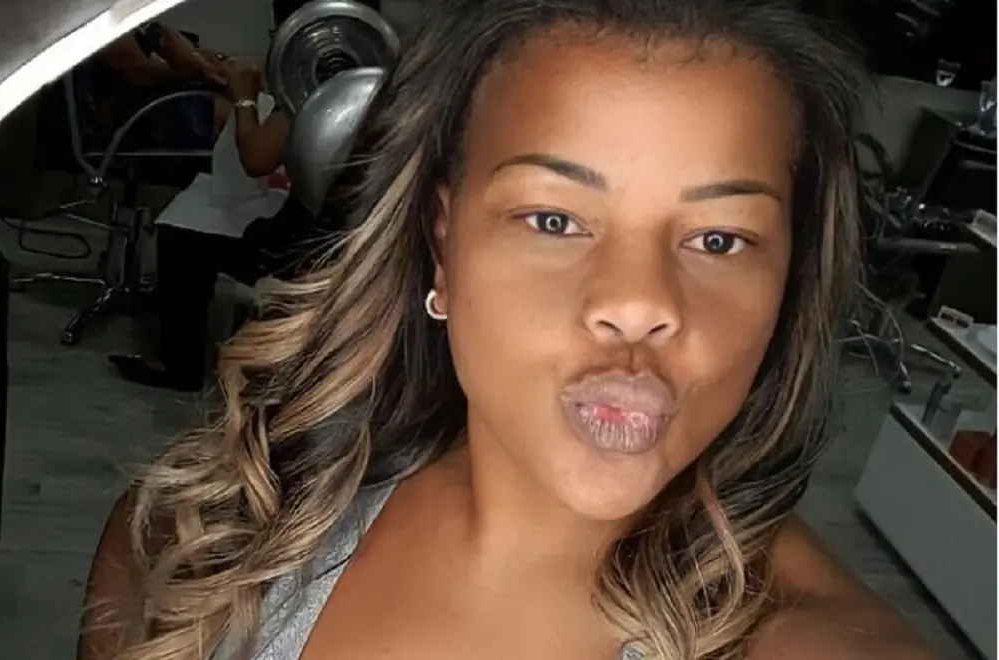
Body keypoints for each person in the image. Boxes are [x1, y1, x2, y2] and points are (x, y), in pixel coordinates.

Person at [79, 1, 936, 659]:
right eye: (554, 220)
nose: (639, 303)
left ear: (787, 279)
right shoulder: (206, 540)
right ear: (443, 244)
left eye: (719, 239)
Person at [107, 56, 303, 392]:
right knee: (199, 206)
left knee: (183, 234)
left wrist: (244, 97)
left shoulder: (316, 93)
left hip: (306, 244)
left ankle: (179, 363)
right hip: (340, 226)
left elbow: (256, 159)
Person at [81, 21, 231, 151]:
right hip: (117, 120)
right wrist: (193, 71)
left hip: (149, 103)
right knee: (233, 111)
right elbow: (134, 66)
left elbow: (161, 39)